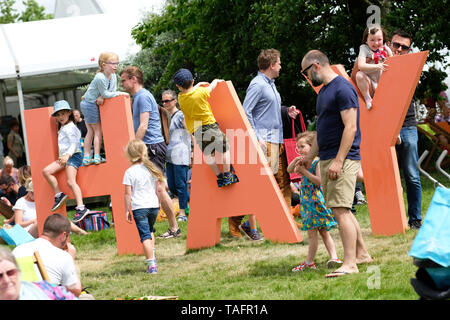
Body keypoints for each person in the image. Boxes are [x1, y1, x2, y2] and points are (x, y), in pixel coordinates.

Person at [300, 50, 372, 278]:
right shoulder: (323, 93)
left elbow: (350, 127)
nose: (307, 78)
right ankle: (361, 254)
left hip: (344, 157)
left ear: (315, 66)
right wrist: (310, 156)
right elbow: (321, 132)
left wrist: (339, 161)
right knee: (342, 209)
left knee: (341, 210)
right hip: (328, 156)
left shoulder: (343, 88)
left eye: (306, 73)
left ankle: (350, 263)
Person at [240, 49, 296, 241]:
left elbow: (267, 108)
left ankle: (285, 223)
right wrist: (257, 138)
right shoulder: (257, 85)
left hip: (277, 139)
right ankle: (251, 224)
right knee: (270, 185)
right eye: (279, 63)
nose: (281, 66)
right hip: (266, 141)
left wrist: (286, 111)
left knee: (283, 182)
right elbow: (246, 112)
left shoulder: (270, 84)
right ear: (271, 65)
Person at [120, 66, 181, 239]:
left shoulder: (143, 97)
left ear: (133, 79)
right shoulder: (139, 97)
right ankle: (169, 227)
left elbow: (144, 125)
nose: (122, 83)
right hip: (150, 147)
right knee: (158, 188)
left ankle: (174, 228)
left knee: (160, 189)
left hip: (152, 147)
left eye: (124, 79)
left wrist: (132, 147)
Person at [173, 68, 239, 188]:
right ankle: (228, 174)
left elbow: (190, 91)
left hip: (196, 129)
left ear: (178, 86)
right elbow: (211, 87)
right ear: (192, 81)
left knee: (208, 154)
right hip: (209, 125)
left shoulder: (181, 98)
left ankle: (219, 177)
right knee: (224, 148)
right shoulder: (201, 93)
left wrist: (196, 85)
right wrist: (215, 81)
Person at [287, 131, 342, 271]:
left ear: (312, 147)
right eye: (298, 147)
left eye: (302, 146)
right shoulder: (302, 161)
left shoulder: (317, 162)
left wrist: (304, 172)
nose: (299, 150)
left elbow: (319, 182)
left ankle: (311, 262)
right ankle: (333, 257)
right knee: (319, 232)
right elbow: (289, 170)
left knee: (319, 233)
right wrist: (295, 161)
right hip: (306, 202)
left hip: (315, 202)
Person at [389, 30, 423, 229]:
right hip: (384, 125)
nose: (399, 49)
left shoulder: (412, 68)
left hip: (407, 124)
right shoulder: (378, 64)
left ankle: (415, 219)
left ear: (409, 51)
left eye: (404, 47)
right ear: (389, 44)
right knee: (385, 172)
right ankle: (391, 219)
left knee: (411, 173)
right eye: (396, 45)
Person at [12, 213, 83, 297]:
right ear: (64, 235)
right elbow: (75, 291)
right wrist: (71, 259)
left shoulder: (18, 250)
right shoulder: (63, 256)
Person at [42, 100, 90, 223]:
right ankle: (59, 195)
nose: (60, 117)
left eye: (63, 113)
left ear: (69, 113)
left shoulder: (71, 127)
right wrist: (64, 156)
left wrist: (67, 156)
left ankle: (81, 208)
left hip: (73, 156)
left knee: (70, 182)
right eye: (58, 115)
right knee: (46, 171)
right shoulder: (63, 127)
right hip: (65, 157)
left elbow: (75, 144)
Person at [123, 139, 164, 274]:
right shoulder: (151, 168)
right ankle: (152, 258)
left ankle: (151, 265)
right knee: (150, 231)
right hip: (153, 205)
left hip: (139, 207)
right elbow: (158, 189)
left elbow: (127, 193)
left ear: (129, 155)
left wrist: (126, 209)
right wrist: (158, 203)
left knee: (145, 236)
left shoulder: (129, 172)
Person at [80, 52, 129, 166]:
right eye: (112, 63)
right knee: (97, 131)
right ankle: (95, 156)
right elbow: (108, 94)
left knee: (91, 131)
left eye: (117, 63)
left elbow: (109, 91)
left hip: (90, 103)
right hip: (89, 104)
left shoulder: (113, 76)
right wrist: (119, 93)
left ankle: (87, 157)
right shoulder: (100, 77)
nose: (115, 66)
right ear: (103, 65)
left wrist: (102, 96)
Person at [0, 246, 77, 300]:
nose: (6, 280)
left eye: (10, 273)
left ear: (18, 272)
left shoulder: (43, 288)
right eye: (0, 276)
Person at [161, 89, 191, 222]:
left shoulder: (181, 115)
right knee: (172, 186)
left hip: (181, 153)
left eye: (167, 100)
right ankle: (194, 204)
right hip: (170, 155)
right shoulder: (167, 117)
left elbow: (190, 131)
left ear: (175, 101)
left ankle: (183, 213)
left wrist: (191, 151)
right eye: (163, 101)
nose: (165, 103)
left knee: (180, 185)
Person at [354, 25, 392, 110]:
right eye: (372, 40)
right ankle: (367, 98)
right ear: (366, 41)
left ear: (383, 39)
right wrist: (377, 66)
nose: (376, 43)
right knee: (359, 75)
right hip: (369, 82)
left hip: (382, 82)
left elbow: (392, 60)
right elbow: (361, 66)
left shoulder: (385, 48)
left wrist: (389, 53)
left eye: (379, 40)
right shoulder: (364, 48)